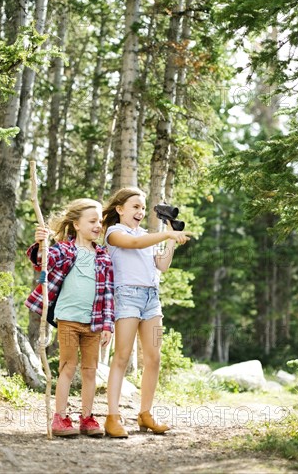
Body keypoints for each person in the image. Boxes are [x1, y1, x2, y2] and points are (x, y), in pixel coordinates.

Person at [102, 187, 190, 437]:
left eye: (142, 208)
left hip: (151, 299)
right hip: (127, 297)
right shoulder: (114, 233)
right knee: (121, 357)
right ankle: (112, 417)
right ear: (120, 209)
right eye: (135, 207)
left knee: (154, 357)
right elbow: (135, 243)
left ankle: (145, 414)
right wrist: (164, 235)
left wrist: (171, 239)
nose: (140, 212)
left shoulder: (147, 235)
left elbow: (162, 266)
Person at [25, 198, 114, 437]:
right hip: (68, 320)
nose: (98, 226)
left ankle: (87, 417)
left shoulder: (103, 257)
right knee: (67, 366)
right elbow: (44, 261)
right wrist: (41, 244)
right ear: (76, 224)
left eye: (100, 222)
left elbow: (107, 294)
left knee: (90, 370)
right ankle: (60, 417)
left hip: (93, 323)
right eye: (92, 221)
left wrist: (107, 325)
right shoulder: (65, 249)